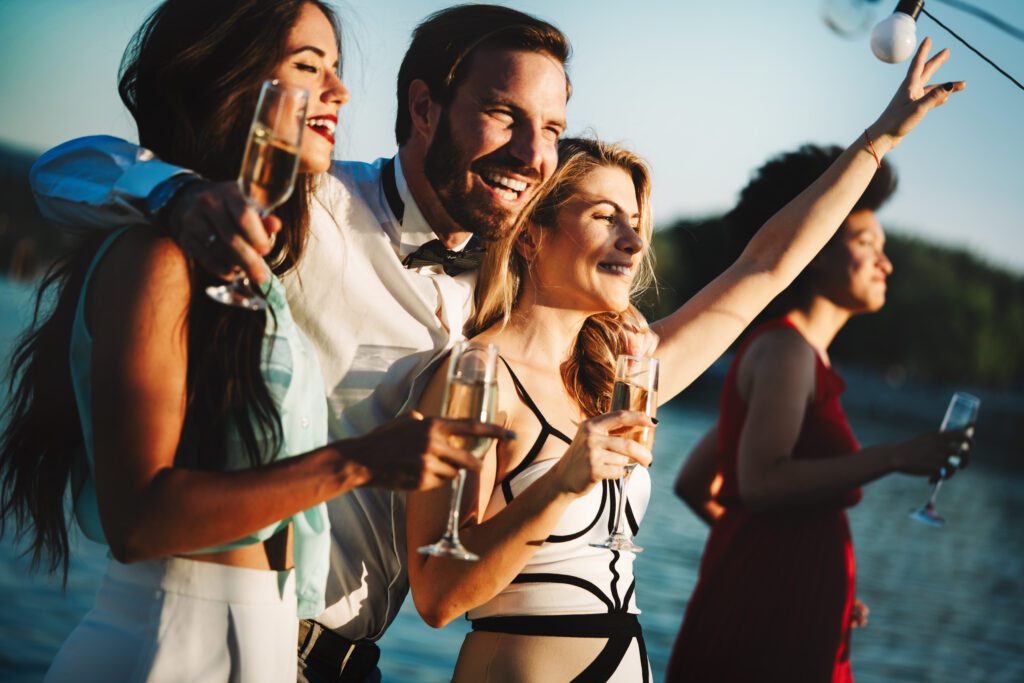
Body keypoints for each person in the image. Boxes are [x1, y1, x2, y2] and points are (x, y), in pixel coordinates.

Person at [28, 5, 572, 680]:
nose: (534, 152)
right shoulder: (305, 204)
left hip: (349, 661)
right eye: (504, 114)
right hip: (230, 628)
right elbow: (59, 172)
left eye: (552, 128)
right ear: (425, 108)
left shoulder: (514, 290)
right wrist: (174, 193)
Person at [405, 38, 964, 681]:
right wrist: (564, 481)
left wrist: (877, 141)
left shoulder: (626, 376)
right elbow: (438, 595)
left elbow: (767, 264)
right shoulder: (475, 377)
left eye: (638, 221)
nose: (634, 239)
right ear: (530, 234)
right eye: (605, 216)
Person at [666, 145, 974, 682]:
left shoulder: (797, 354)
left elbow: (695, 481)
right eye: (865, 243)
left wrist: (793, 574)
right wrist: (898, 454)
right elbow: (760, 482)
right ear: (814, 249)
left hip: (778, 606)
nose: (887, 262)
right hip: (765, 633)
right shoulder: (786, 351)